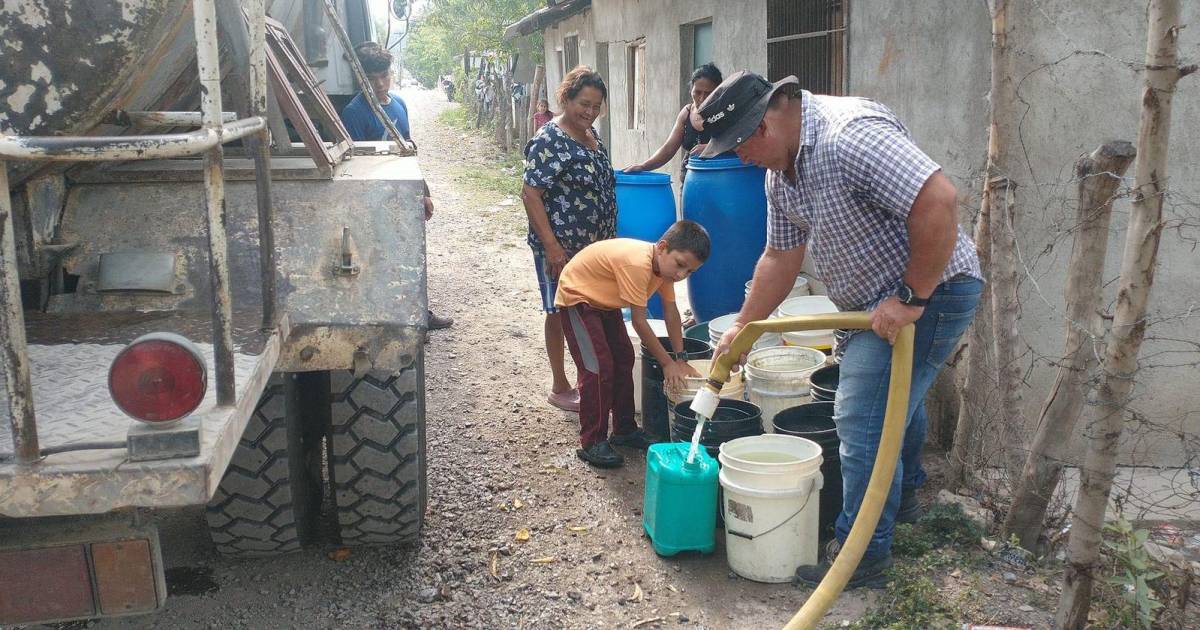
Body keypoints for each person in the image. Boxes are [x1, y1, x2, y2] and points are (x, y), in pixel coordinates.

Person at [700, 71, 983, 588]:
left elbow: (939, 199)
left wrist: (912, 297)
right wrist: (743, 328)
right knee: (900, 398)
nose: (739, 158)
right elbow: (780, 257)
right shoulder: (780, 174)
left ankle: (863, 556)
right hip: (877, 302)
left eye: (739, 146)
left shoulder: (848, 137)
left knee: (860, 418)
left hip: (933, 290)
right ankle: (907, 501)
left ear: (764, 124)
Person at [555, 221, 708, 467]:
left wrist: (680, 358)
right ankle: (592, 441)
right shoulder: (638, 263)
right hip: (578, 298)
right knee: (598, 367)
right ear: (662, 247)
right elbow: (639, 321)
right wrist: (667, 363)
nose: (681, 275)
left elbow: (671, 311)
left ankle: (624, 429)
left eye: (689, 272)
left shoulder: (664, 270)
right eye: (680, 265)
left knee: (624, 358)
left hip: (605, 303)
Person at [521, 65, 616, 413]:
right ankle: (560, 384)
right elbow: (530, 194)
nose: (589, 112)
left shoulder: (593, 135)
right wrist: (552, 246)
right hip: (560, 247)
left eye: (596, 106)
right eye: (583, 104)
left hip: (594, 248)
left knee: (587, 311)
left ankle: (586, 378)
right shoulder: (550, 139)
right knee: (559, 311)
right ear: (566, 98)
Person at [340, 43, 453, 331]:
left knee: (412, 255)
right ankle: (395, 322)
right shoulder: (353, 113)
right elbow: (354, 168)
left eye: (384, 76)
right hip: (373, 199)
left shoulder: (399, 104)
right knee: (379, 259)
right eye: (372, 78)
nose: (379, 83)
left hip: (404, 196)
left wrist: (424, 192)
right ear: (360, 78)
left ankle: (419, 316)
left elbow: (409, 151)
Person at [624, 63, 723, 176]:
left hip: (723, 179)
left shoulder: (727, 112)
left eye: (708, 94)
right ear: (691, 90)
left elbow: (741, 144)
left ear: (718, 92)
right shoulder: (686, 114)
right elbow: (669, 148)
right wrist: (644, 166)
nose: (702, 98)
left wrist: (712, 148)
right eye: (698, 92)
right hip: (691, 180)